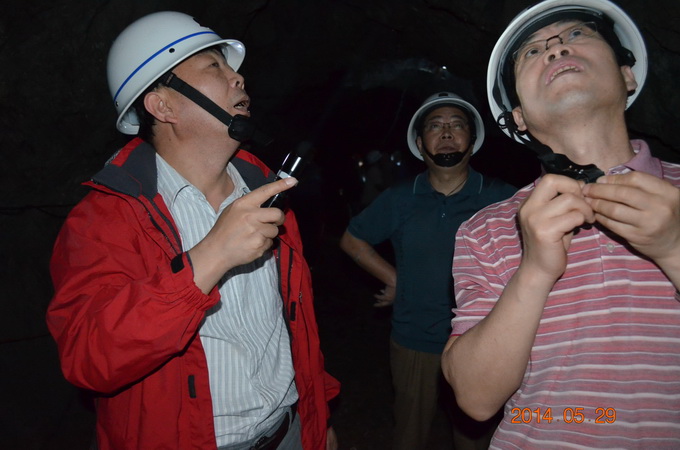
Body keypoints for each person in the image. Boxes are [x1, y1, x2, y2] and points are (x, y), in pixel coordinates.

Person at [46, 11, 339, 450]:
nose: (237, 77)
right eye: (213, 66)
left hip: (289, 432)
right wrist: (209, 258)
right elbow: (88, 358)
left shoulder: (266, 192)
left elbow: (293, 326)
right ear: (163, 106)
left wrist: (318, 414)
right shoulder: (105, 220)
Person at [441, 0, 680, 448]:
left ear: (627, 75)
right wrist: (534, 271)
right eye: (531, 52)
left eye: (577, 34)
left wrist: (675, 249)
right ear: (519, 118)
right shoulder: (485, 229)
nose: (556, 49)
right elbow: (475, 398)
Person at [340, 92, 516, 450]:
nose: (447, 132)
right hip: (414, 339)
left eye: (457, 125)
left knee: (476, 438)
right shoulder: (400, 197)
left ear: (473, 140)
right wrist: (394, 278)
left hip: (482, 342)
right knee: (409, 434)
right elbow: (352, 239)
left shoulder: (504, 199)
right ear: (420, 145)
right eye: (435, 126)